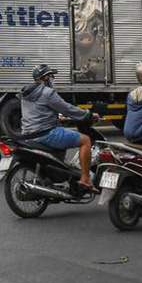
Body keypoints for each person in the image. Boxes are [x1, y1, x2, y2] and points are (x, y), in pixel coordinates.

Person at [18, 63, 95, 191]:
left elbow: (36, 112)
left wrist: (56, 117)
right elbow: (67, 109)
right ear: (46, 78)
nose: (53, 80)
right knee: (86, 140)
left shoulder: (26, 93)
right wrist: (88, 114)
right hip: (45, 134)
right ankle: (85, 178)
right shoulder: (47, 93)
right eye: (51, 77)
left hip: (28, 134)